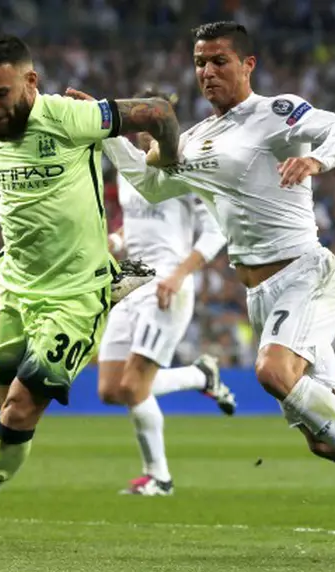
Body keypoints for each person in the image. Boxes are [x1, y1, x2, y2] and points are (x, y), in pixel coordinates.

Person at [83, 21, 335, 558]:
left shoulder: (276, 114)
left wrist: (317, 157)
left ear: (248, 64)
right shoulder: (199, 136)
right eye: (200, 61)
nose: (207, 71)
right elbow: (152, 184)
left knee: (273, 372)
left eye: (219, 60)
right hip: (261, 293)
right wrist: (106, 131)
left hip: (305, 272)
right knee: (325, 436)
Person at [0, 33, 182, 554]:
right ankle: (114, 278)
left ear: (31, 82)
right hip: (16, 288)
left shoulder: (68, 117)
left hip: (73, 295)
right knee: (5, 410)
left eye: (0, 93)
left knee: (18, 414)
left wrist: (165, 163)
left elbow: (159, 111)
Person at [99, 88, 234, 496]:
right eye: (137, 121)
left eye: (151, 120)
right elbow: (140, 226)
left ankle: (159, 477)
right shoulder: (131, 168)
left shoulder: (187, 168)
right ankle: (199, 374)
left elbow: (217, 231)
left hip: (166, 282)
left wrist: (177, 276)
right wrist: (117, 243)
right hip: (132, 279)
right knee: (109, 389)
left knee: (134, 387)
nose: (143, 129)